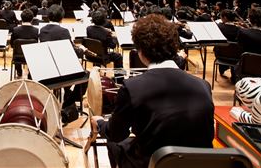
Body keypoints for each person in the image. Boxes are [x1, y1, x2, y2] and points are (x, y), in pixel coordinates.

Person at [91, 14, 214, 168]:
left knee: (114, 143)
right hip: (200, 164)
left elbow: (116, 134)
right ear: (174, 47)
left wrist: (100, 123)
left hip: (155, 163)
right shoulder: (203, 85)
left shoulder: (132, 87)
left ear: (140, 51)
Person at [11, 9, 39, 78]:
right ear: (32, 19)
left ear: (21, 18)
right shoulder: (36, 31)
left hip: (18, 57)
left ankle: (19, 72)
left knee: (16, 51)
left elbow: (12, 45)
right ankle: (30, 74)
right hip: (31, 57)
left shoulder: (15, 30)